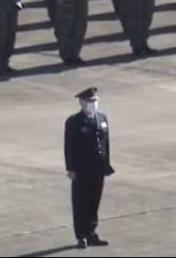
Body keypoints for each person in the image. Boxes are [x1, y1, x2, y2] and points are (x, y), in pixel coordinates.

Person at [64, 87, 114, 249]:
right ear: (82, 102)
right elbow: (69, 146)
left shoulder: (102, 118)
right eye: (90, 101)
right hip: (82, 169)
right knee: (80, 203)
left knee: (94, 201)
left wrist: (106, 164)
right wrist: (70, 168)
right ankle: (81, 236)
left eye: (95, 101)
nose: (94, 104)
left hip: (98, 168)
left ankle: (91, 232)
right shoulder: (74, 121)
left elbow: (105, 144)